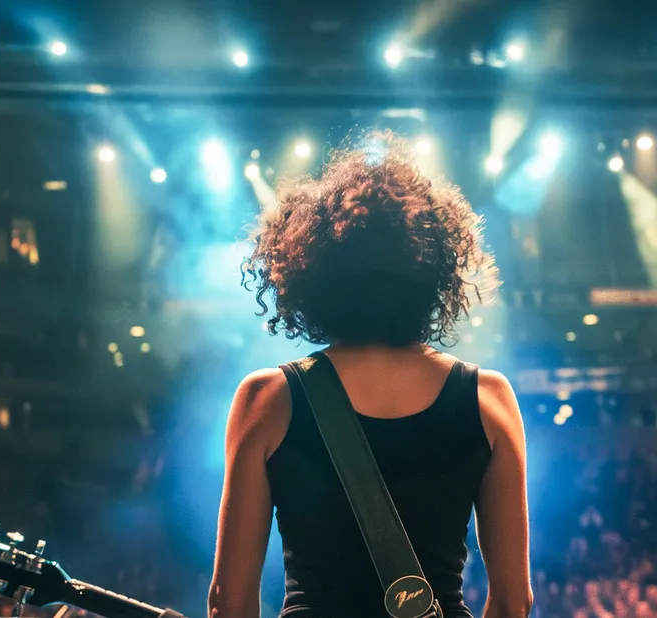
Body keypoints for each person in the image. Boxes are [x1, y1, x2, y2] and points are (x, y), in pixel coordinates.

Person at [208, 134, 532, 618]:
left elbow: (229, 603)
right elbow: (512, 603)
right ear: (434, 273)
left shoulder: (267, 398)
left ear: (311, 273)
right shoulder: (488, 398)